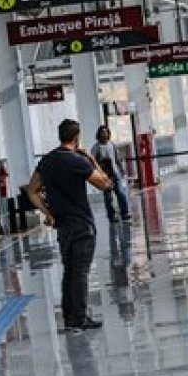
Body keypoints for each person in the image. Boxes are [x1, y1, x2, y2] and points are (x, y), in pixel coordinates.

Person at [26, 120, 112, 332]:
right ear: (76, 137)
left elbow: (31, 190)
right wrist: (91, 159)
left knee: (69, 272)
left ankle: (70, 318)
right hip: (82, 224)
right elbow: (104, 184)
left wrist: (48, 213)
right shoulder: (78, 161)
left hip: (63, 225)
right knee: (80, 273)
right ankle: (79, 318)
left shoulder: (46, 160)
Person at [90, 126, 131, 224]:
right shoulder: (95, 148)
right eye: (102, 132)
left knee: (121, 194)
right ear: (98, 134)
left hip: (115, 174)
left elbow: (117, 159)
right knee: (108, 198)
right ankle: (111, 216)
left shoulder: (112, 145)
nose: (104, 134)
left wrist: (121, 169)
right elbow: (92, 162)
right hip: (104, 176)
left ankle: (124, 213)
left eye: (106, 132)